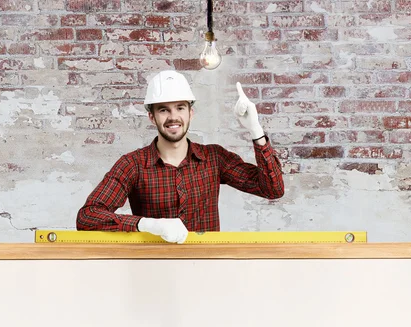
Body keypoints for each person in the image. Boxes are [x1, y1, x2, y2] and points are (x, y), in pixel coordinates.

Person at [76, 70, 285, 243]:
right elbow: (87, 217)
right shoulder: (132, 165)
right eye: (164, 110)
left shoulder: (214, 158)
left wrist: (255, 130)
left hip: (207, 268)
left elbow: (273, 189)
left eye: (180, 108)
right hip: (153, 270)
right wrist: (147, 224)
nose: (173, 117)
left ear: (190, 113)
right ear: (152, 117)